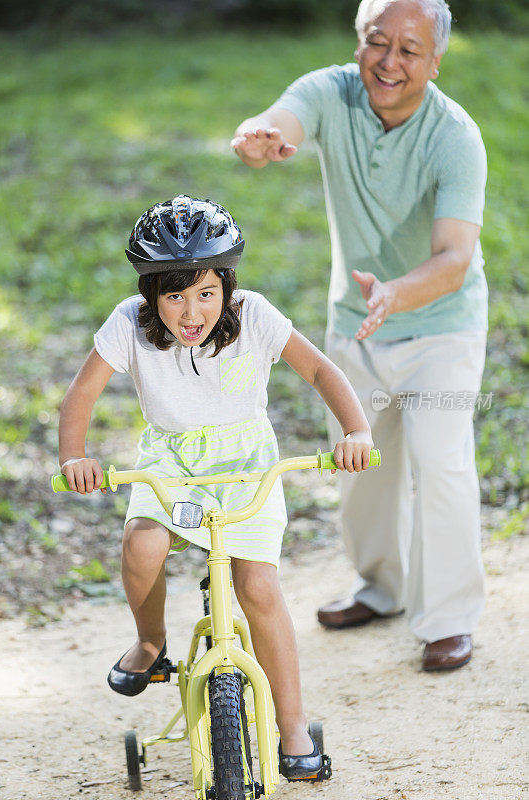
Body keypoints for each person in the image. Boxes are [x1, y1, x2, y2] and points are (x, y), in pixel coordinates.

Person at [58, 194, 373, 779]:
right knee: (142, 543)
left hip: (247, 463)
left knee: (257, 585)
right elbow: (81, 394)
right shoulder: (129, 324)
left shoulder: (253, 316)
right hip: (171, 464)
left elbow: (322, 371)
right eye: (174, 295)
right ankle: (151, 643)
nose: (191, 311)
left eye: (205, 292)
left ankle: (295, 727)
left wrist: (354, 431)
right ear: (152, 296)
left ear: (227, 285)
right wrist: (75, 456)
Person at [232, 0, 488, 671]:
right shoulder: (330, 92)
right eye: (378, 42)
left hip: (442, 329)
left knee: (441, 465)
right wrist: (258, 135)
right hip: (354, 325)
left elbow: (455, 256)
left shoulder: (455, 137)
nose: (390, 61)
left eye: (410, 49)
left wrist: (397, 293)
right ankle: (381, 588)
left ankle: (447, 619)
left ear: (434, 62)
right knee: (360, 467)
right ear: (357, 44)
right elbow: (281, 117)